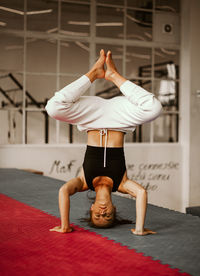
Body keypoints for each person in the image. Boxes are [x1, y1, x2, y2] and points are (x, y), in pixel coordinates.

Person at [45, 50, 162, 235]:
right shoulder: (121, 184)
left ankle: (93, 74)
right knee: (154, 108)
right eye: (107, 216)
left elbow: (63, 191)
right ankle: (114, 76)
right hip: (119, 119)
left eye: (97, 217)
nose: (102, 213)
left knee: (52, 108)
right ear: (114, 209)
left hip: (92, 118)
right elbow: (141, 193)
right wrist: (139, 229)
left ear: (91, 210)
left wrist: (65, 225)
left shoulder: (84, 182)